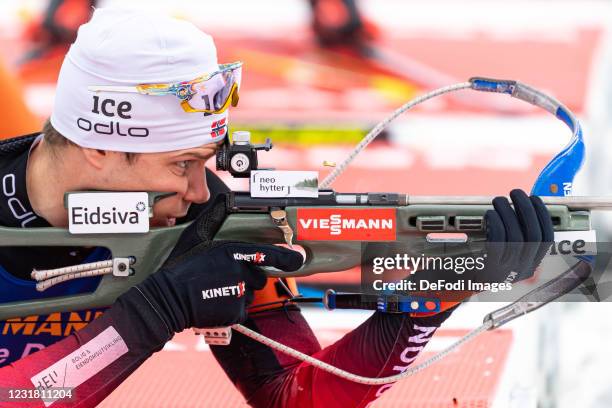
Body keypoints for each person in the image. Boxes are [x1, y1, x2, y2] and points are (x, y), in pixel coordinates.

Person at [0, 8, 553, 408]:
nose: (199, 192)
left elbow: (296, 398)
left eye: (205, 163)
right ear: (97, 147)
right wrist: (157, 311)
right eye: (180, 165)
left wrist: (425, 304)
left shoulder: (202, 219)